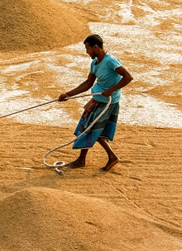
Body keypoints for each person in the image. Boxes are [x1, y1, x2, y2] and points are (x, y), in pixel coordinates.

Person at [57, 34, 132, 171]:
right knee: (88, 128)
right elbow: (88, 83)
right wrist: (68, 94)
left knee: (90, 129)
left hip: (108, 102)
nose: (87, 52)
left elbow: (128, 77)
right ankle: (92, 158)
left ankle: (90, 159)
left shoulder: (111, 61)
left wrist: (111, 90)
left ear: (95, 47)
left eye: (88, 48)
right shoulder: (95, 63)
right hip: (97, 99)